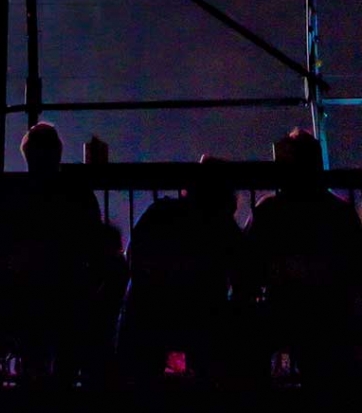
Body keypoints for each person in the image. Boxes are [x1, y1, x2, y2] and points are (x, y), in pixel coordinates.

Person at [0, 122, 103, 387]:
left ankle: (33, 411)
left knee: (33, 361)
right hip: (69, 288)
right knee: (65, 363)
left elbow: (1, 244)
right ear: (58, 152)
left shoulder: (16, 194)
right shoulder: (78, 193)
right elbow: (94, 240)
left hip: (29, 291)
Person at [246, 128, 362, 384]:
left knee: (250, 343)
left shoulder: (269, 211)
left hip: (284, 308)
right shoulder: (340, 213)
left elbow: (247, 266)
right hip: (331, 313)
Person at [119, 156, 244, 384]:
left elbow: (133, 258)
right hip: (203, 317)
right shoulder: (224, 228)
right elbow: (245, 273)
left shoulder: (161, 212)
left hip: (152, 313)